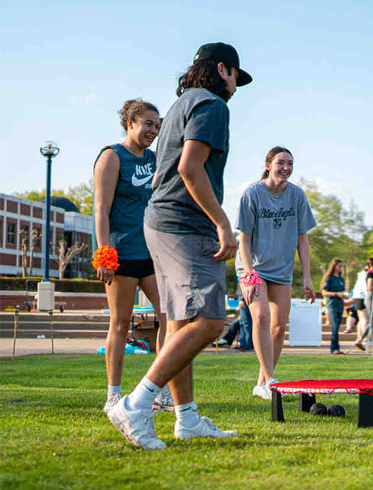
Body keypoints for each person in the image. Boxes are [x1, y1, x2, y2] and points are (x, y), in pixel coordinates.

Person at [106, 42, 252, 450]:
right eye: (237, 77)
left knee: (177, 324)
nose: (237, 86)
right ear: (223, 70)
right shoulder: (212, 106)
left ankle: (186, 418)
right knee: (210, 321)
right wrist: (223, 224)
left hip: (161, 222)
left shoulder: (180, 105)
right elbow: (189, 167)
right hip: (185, 225)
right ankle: (137, 404)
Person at [94, 99, 170, 414]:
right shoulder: (112, 157)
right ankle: (113, 394)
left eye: (157, 125)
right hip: (121, 253)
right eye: (148, 124)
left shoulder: (156, 159)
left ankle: (161, 391)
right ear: (131, 123)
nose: (153, 130)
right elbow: (101, 208)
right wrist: (104, 254)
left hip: (153, 254)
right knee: (121, 322)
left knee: (170, 318)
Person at [236, 146, 317, 400]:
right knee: (260, 317)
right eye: (281, 163)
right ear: (268, 165)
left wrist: (306, 277)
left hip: (281, 269)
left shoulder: (297, 195)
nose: (286, 168)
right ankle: (271, 380)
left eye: (290, 163)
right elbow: (244, 240)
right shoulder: (253, 193)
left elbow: (302, 239)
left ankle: (262, 382)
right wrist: (249, 276)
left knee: (279, 328)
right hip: (255, 267)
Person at [321, 258, 349, 354]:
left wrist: (344, 296)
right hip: (332, 304)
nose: (340, 268)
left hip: (340, 304)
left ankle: (337, 347)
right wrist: (336, 294)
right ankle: (333, 348)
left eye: (342, 266)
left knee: (337, 326)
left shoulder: (341, 279)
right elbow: (324, 292)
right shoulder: (330, 279)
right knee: (334, 326)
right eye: (339, 266)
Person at [353, 258, 373, 351]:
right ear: (371, 265)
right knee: (372, 322)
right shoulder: (370, 274)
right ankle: (361, 340)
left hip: (372, 297)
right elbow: (369, 287)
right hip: (369, 297)